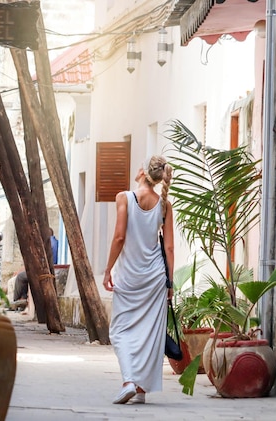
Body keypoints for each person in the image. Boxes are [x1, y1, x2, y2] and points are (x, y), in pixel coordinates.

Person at [102, 155, 174, 405]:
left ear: (143, 171)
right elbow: (170, 248)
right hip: (155, 277)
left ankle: (129, 382)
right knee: (148, 332)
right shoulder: (164, 204)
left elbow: (119, 237)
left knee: (120, 329)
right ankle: (141, 389)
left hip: (129, 276)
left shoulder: (124, 198)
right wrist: (170, 282)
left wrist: (108, 269)